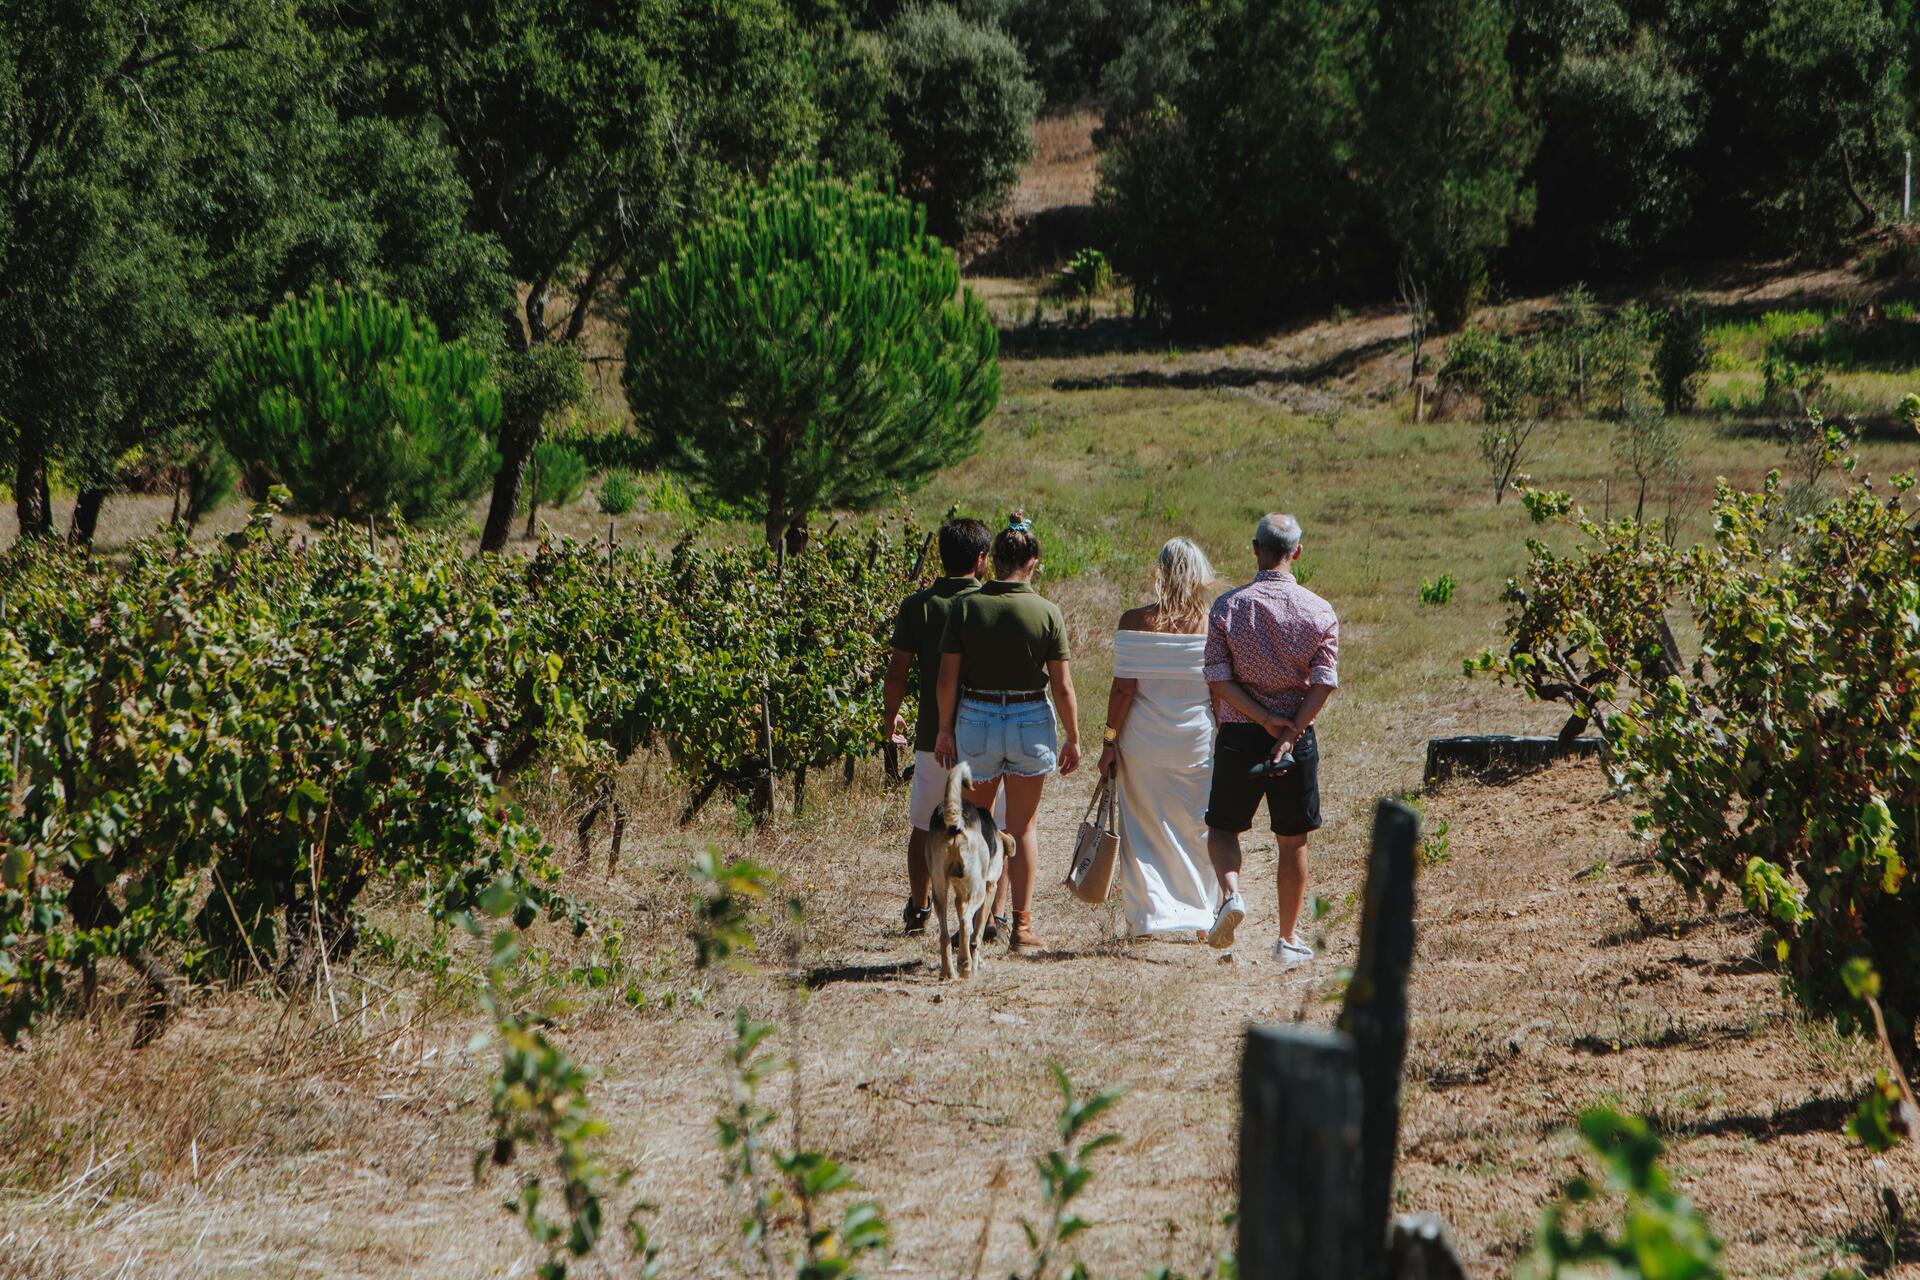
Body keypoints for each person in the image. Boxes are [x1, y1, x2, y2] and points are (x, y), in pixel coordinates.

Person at [934, 513, 1082, 951]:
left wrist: (944, 730)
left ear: (993, 560)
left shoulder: (966, 607)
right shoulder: (1047, 612)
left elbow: (947, 678)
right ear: (1032, 561)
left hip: (976, 717)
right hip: (1028, 718)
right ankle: (1020, 925)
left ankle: (975, 919)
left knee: (977, 826)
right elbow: (1063, 685)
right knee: (1024, 827)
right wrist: (1073, 736)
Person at [1198, 513, 1339, 965]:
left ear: (1255, 548)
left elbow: (1217, 679)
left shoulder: (1227, 607)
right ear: (1297, 551)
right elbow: (1324, 681)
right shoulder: (1319, 610)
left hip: (1240, 733)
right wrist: (1289, 728)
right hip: (1295, 739)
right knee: (1292, 838)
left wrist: (1260, 718)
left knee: (1222, 828)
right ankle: (1287, 938)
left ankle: (1231, 895)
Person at [880, 518, 1001, 935]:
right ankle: (989, 914)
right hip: (986, 732)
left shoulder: (917, 606)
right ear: (981, 558)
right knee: (988, 824)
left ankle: (919, 906)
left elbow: (897, 672)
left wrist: (889, 713)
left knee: (924, 824)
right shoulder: (990, 602)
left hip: (934, 733)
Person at [1096, 538, 1221, 938]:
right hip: (1197, 743)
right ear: (1201, 575)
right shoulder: (1215, 625)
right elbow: (1219, 695)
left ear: (1160, 572)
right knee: (1197, 828)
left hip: (1143, 742)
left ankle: (1149, 918)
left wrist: (1109, 742)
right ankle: (1202, 916)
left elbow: (1122, 691)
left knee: (1142, 828)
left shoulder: (1133, 622)